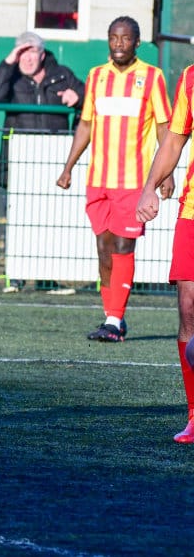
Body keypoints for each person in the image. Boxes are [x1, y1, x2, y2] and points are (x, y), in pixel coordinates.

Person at [57, 16, 173, 342]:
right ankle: (113, 318)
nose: (119, 44)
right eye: (113, 38)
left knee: (123, 246)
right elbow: (86, 124)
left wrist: (167, 173)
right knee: (104, 249)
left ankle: (113, 320)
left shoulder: (152, 77)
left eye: (125, 38)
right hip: (99, 180)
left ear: (137, 42)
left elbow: (164, 127)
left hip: (134, 182)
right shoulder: (96, 76)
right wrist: (68, 167)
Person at [0, 30, 86, 294]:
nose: (27, 58)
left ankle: (48, 277)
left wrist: (79, 99)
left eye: (31, 52)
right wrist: (8, 61)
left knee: (51, 220)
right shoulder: (11, 77)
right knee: (19, 219)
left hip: (53, 160)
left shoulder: (62, 74)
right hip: (20, 162)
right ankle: (16, 276)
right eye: (22, 53)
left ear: (42, 54)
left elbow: (88, 97)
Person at [136, 62, 194, 443]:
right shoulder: (190, 78)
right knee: (188, 309)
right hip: (193, 212)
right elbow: (173, 140)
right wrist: (149, 187)